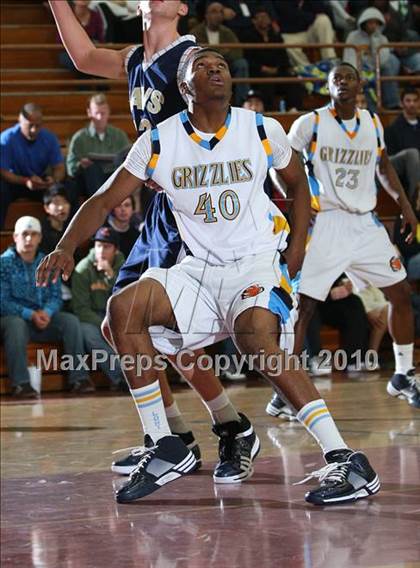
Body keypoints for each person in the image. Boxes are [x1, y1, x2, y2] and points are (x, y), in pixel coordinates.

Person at [38, 48, 381, 507]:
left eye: (219, 64)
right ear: (184, 88)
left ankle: (346, 458)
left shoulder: (260, 128)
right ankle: (165, 445)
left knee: (255, 338)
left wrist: (297, 250)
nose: (214, 68)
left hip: (257, 261)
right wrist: (65, 245)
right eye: (201, 65)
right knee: (123, 311)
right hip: (199, 269)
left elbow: (298, 186)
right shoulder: (159, 142)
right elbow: (102, 200)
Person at [49, 0, 259, 484]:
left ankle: (225, 427)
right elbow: (82, 56)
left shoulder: (189, 59)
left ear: (181, 8)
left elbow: (217, 120)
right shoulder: (132, 60)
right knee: (115, 325)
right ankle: (179, 434)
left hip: (190, 212)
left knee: (156, 329)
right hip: (158, 212)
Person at [282, 62, 418, 409]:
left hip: (365, 224)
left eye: (349, 77)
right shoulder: (310, 122)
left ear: (360, 85)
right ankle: (286, 387)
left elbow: (384, 166)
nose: (343, 82)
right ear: (329, 87)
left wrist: (406, 206)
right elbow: (279, 161)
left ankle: (403, 373)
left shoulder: (372, 122)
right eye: (336, 79)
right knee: (306, 305)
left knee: (400, 294)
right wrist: (298, 199)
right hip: (327, 220)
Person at [1, 216, 94, 398]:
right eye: (24, 234)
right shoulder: (3, 263)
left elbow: (56, 296)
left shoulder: (48, 262)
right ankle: (21, 384)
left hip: (44, 318)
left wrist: (47, 312)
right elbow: (2, 301)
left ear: (40, 238)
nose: (29, 239)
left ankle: (79, 378)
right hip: (16, 320)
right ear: (15, 237)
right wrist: (30, 314)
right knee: (15, 325)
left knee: (70, 321)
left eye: (33, 234)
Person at [71, 226, 126, 389]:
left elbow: (126, 297)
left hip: (118, 315)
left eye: (107, 246)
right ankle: (122, 378)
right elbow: (81, 309)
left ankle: (146, 373)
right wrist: (105, 324)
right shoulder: (82, 270)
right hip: (91, 317)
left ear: (115, 250)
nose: (101, 251)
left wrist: (111, 276)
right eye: (98, 245)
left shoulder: (124, 266)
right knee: (90, 335)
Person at [0, 103, 67, 229]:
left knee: (65, 190)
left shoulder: (49, 138)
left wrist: (54, 180)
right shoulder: (7, 139)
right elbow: (3, 171)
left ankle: (62, 231)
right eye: (30, 126)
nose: (34, 130)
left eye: (38, 126)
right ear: (20, 121)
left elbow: (59, 167)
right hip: (15, 181)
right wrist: (25, 181)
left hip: (41, 181)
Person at [67, 93, 131, 198]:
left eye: (103, 113)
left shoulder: (119, 135)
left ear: (108, 112)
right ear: (89, 113)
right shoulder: (80, 138)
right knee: (93, 170)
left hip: (113, 177)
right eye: (96, 113)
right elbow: (71, 168)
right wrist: (80, 165)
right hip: (88, 182)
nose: (100, 117)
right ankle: (98, 203)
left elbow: (129, 159)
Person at [242, 6, 304, 111]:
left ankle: (293, 109)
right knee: (267, 82)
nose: (264, 20)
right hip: (258, 73)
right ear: (254, 21)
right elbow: (247, 58)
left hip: (277, 71)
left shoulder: (275, 36)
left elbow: (283, 56)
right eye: (260, 17)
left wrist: (279, 68)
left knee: (293, 80)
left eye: (266, 17)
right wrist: (262, 68)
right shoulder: (247, 36)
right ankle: (269, 112)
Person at [343, 7, 405, 109]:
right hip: (358, 72)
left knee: (391, 62)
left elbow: (384, 61)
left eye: (376, 23)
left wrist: (374, 43)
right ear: (364, 23)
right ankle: (371, 115)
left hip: (376, 72)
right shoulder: (353, 37)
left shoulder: (382, 39)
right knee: (365, 87)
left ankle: (392, 103)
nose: (373, 26)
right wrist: (358, 75)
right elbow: (349, 58)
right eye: (370, 23)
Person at [191, 1, 250, 105]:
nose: (217, 15)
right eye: (214, 12)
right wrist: (222, 52)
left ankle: (243, 102)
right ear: (206, 15)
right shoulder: (196, 32)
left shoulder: (228, 32)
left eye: (220, 12)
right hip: (204, 67)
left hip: (225, 65)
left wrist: (213, 53)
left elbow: (238, 53)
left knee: (242, 64)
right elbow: (194, 53)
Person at [272, 0, 337, 67]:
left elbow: (323, 9)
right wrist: (312, 16)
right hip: (292, 34)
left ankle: (330, 60)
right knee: (286, 44)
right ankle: (307, 69)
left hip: (309, 31)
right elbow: (291, 14)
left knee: (323, 19)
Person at [384, 86, 420, 205]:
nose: (412, 104)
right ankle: (415, 202)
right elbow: (391, 160)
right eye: (408, 101)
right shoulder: (392, 129)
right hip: (401, 168)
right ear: (402, 103)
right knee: (412, 154)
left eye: (415, 100)